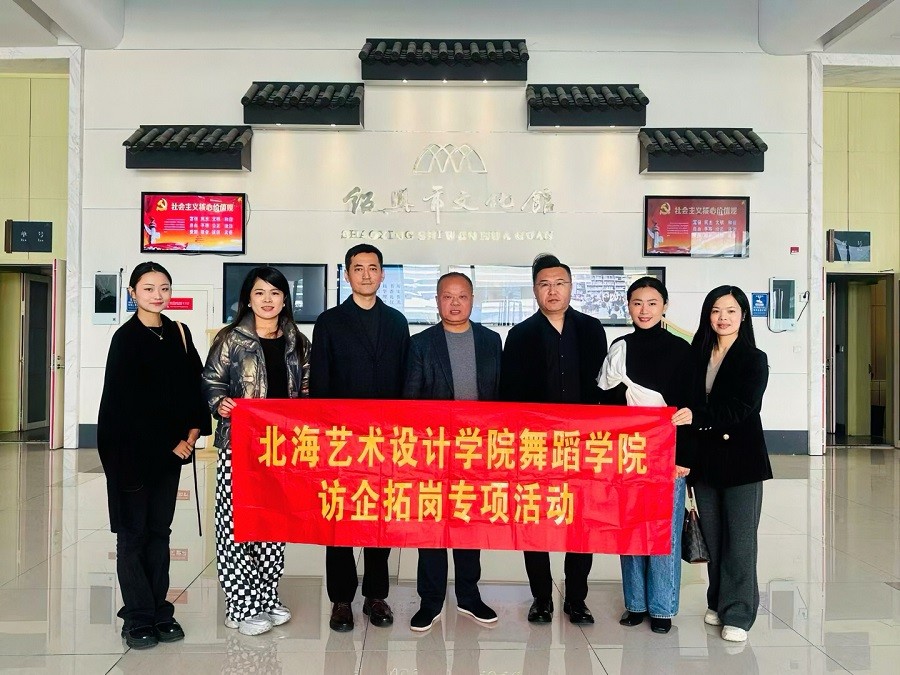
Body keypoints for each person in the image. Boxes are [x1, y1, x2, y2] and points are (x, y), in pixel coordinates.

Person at [97, 262, 211, 650]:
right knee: (133, 535)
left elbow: (196, 386)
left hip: (172, 454)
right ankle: (138, 616)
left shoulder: (179, 332)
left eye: (164, 288)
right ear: (132, 293)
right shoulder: (125, 339)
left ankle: (160, 609)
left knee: (160, 532)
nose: (157, 295)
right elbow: (123, 406)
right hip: (130, 454)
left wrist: (193, 431)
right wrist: (169, 442)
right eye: (148, 288)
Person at [499, 253, 608, 625]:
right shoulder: (520, 335)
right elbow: (509, 396)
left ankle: (576, 598)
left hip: (583, 446)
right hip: (536, 447)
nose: (553, 291)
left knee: (581, 523)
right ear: (534, 290)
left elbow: (605, 387)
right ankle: (541, 598)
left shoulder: (592, 330)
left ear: (571, 287)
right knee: (536, 522)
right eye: (545, 284)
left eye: (560, 283)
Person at [202, 266, 311, 636]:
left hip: (281, 449)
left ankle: (266, 597)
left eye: (275, 293)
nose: (268, 300)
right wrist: (219, 402)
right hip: (240, 445)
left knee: (273, 523)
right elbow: (211, 380)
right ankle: (241, 605)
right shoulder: (231, 338)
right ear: (248, 298)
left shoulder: (298, 342)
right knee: (235, 525)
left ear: (285, 299)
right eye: (260, 293)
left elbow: (307, 392)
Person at [310, 244, 410, 632]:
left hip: (385, 441)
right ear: (347, 274)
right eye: (358, 268)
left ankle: (376, 595)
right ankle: (341, 600)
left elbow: (405, 380)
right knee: (339, 521)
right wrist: (325, 434)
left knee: (380, 520)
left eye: (372, 268)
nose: (366, 274)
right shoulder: (329, 322)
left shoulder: (397, 322)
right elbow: (320, 382)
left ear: (382, 274)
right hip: (342, 440)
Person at [403, 272, 502, 632]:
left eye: (462, 296)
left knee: (469, 525)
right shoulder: (421, 344)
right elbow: (410, 401)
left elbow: (500, 397)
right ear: (437, 301)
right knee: (431, 527)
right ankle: (430, 601)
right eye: (448, 296)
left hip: (476, 451)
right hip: (433, 452)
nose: (455, 303)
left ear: (472, 299)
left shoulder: (491, 341)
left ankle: (468, 596)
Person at [596, 276, 693, 634]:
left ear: (665, 306)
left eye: (652, 303)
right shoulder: (619, 348)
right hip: (628, 454)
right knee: (631, 529)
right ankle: (635, 604)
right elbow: (605, 404)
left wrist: (684, 457)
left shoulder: (682, 350)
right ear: (628, 307)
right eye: (637, 303)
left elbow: (690, 408)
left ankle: (663, 607)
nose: (644, 310)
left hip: (668, 454)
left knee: (664, 531)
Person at [682, 285, 771, 643]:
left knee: (740, 539)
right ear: (708, 315)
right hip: (704, 461)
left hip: (741, 462)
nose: (723, 318)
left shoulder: (754, 358)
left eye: (731, 311)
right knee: (714, 537)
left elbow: (743, 407)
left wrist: (698, 417)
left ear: (743, 316)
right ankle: (718, 601)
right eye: (716, 310)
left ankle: (739, 612)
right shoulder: (696, 354)